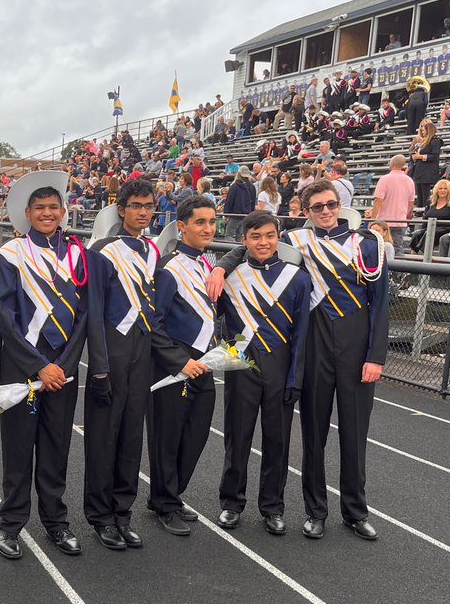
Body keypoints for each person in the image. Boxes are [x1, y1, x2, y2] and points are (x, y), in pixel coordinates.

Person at [208, 180, 389, 541]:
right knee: (313, 435)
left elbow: (380, 303)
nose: (326, 211)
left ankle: (355, 511)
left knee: (355, 435)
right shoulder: (294, 241)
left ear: (340, 204)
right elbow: (251, 245)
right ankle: (315, 511)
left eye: (331, 204)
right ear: (306, 212)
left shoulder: (368, 244)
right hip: (315, 346)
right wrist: (220, 267)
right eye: (317, 206)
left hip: (356, 347)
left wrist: (375, 356)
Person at [0, 172, 88, 559]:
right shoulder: (11, 254)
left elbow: (83, 317)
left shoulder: (77, 254)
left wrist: (63, 364)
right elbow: (4, 317)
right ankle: (11, 523)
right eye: (40, 208)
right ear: (28, 213)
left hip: (63, 368)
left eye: (53, 207)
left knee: (56, 448)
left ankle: (56, 521)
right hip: (23, 365)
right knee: (18, 449)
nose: (47, 213)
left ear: (63, 212)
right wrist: (38, 365)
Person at [215, 211, 311, 535]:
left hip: (280, 365)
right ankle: (231, 503)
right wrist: (225, 352)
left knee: (277, 441)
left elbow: (301, 334)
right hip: (241, 361)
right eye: (255, 236)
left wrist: (295, 378)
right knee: (237, 436)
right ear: (243, 240)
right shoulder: (230, 276)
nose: (263, 242)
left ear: (278, 237)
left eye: (269, 235)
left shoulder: (297, 278)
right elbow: (213, 319)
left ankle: (272, 506)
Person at [84, 177, 165, 551]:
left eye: (148, 206)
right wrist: (99, 365)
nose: (143, 212)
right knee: (104, 435)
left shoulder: (152, 249)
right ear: (121, 209)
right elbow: (94, 310)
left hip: (141, 349)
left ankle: (122, 513)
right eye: (136, 206)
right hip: (112, 348)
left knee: (132, 434)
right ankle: (100, 516)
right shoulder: (102, 250)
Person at [147, 195, 219, 536]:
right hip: (175, 366)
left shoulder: (207, 263)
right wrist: (179, 360)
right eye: (200, 222)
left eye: (212, 221)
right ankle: (164, 502)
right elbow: (153, 323)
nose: (208, 228)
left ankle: (172, 494)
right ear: (182, 226)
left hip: (204, 363)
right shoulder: (167, 268)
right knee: (168, 436)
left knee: (196, 435)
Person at [370, 155, 416, 256]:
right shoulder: (410, 181)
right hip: (400, 221)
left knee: (381, 250)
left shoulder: (384, 179)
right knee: (397, 249)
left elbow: (378, 201)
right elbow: (411, 203)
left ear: (392, 164)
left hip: (384, 222)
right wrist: (403, 214)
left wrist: (373, 220)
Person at [409, 180, 450, 255]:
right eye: (440, 188)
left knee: (429, 233)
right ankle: (413, 254)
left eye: (445, 188)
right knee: (417, 234)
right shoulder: (431, 202)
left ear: (449, 190)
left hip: (447, 228)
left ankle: (423, 254)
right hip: (431, 227)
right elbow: (426, 218)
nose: (442, 190)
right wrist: (422, 229)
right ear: (437, 190)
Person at [408, 120, 443, 209]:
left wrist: (420, 157)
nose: (422, 132)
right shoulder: (421, 142)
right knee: (419, 194)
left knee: (425, 195)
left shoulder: (435, 141)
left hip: (427, 172)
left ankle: (426, 211)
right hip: (419, 171)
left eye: (423, 130)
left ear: (428, 130)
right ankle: (419, 211)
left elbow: (434, 157)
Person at [223, 170, 256, 240]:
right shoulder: (252, 187)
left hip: (235, 215)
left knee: (229, 235)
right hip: (246, 215)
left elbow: (229, 201)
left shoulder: (234, 186)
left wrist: (226, 213)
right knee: (240, 236)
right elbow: (253, 202)